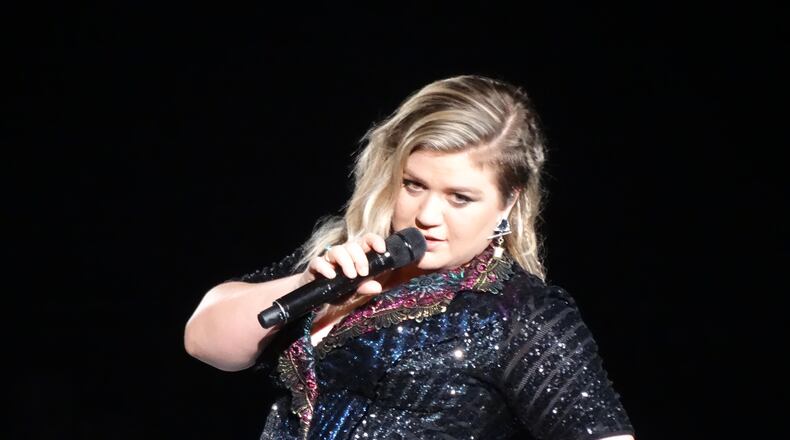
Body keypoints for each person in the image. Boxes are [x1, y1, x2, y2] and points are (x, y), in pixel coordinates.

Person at [184, 75, 635, 440]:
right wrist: (306, 285)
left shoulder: (521, 312)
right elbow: (204, 343)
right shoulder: (346, 258)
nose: (427, 215)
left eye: (459, 197)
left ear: (508, 202)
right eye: (414, 185)